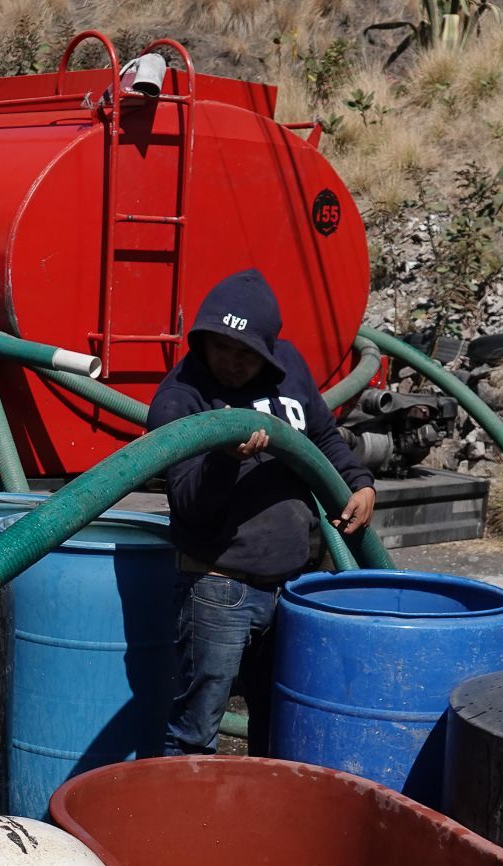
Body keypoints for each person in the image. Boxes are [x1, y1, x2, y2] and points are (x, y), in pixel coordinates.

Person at [150, 268, 376, 756]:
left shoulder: (289, 366)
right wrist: (222, 459)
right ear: (203, 340)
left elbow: (322, 437)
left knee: (279, 727)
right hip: (218, 586)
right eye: (220, 347)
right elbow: (189, 505)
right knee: (195, 731)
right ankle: (183, 829)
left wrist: (359, 482)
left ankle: (255, 822)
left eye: (245, 353)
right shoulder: (180, 399)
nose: (230, 363)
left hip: (294, 586)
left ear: (267, 351)